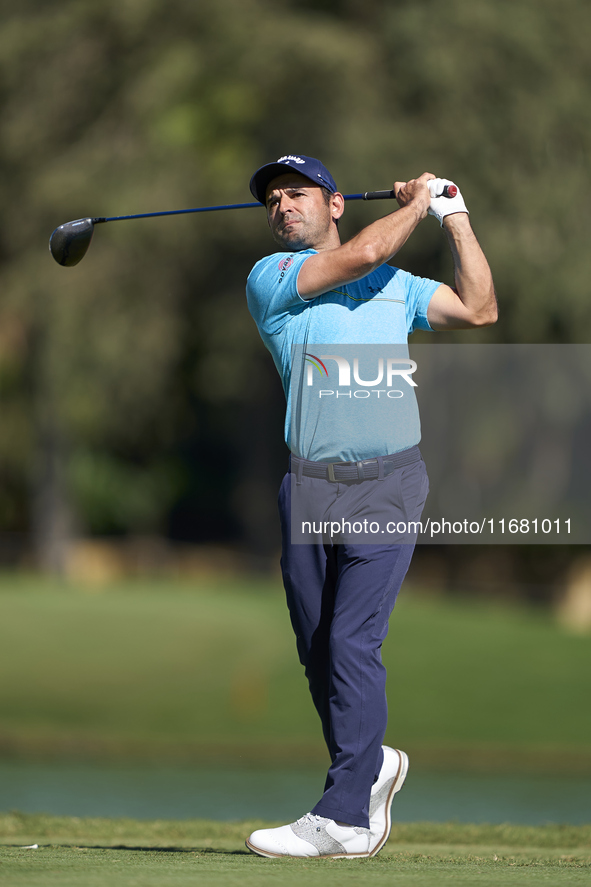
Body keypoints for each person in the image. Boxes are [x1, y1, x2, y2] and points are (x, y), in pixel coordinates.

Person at [244, 155, 496, 859]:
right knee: (317, 649)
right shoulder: (273, 279)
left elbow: (479, 307)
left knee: (353, 641)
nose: (280, 206)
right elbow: (364, 252)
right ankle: (372, 763)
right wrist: (415, 202)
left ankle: (345, 816)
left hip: (387, 483)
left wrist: (452, 215)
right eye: (272, 199)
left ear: (333, 203)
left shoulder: (396, 286)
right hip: (309, 484)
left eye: (295, 194)